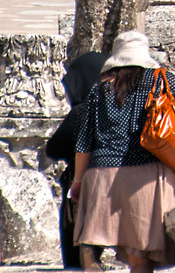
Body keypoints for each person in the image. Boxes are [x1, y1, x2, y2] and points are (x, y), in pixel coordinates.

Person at [70, 32, 175, 273]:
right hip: (146, 174)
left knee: (96, 247)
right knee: (140, 257)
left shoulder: (99, 90)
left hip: (102, 175)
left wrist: (77, 181)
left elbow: (84, 142)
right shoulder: (162, 79)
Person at [45, 52, 106, 271]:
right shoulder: (114, 109)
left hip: (80, 189)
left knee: (76, 256)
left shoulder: (82, 112)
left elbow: (53, 148)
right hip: (109, 186)